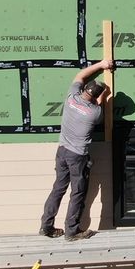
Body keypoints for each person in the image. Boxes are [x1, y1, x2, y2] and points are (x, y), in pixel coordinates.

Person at [39, 59, 113, 242]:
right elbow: (99, 103)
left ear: (84, 90)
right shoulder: (94, 113)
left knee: (58, 189)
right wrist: (105, 95)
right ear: (95, 96)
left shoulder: (72, 97)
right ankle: (71, 231)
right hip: (77, 156)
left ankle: (46, 227)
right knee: (77, 192)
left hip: (62, 151)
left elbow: (80, 75)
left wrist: (102, 64)